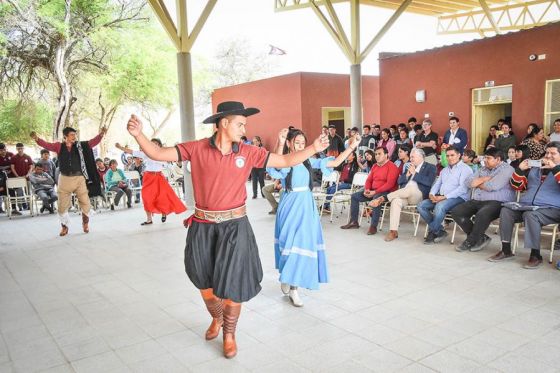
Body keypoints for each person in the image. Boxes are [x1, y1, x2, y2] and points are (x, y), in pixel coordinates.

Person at [125, 101, 330, 359]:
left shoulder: (248, 151)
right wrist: (138, 135)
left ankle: (229, 333)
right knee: (202, 280)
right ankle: (217, 318)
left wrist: (314, 148)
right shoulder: (197, 148)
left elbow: (287, 159)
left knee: (234, 282)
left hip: (235, 226)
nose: (244, 129)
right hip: (203, 224)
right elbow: (157, 153)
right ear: (224, 123)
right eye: (240, 124)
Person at [268, 128, 360, 306]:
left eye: (303, 143)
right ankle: (287, 276)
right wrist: (279, 143)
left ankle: (294, 288)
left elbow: (334, 163)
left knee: (302, 243)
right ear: (289, 144)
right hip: (290, 205)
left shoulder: (309, 161)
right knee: (289, 243)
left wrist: (352, 147)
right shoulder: (287, 161)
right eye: (297, 143)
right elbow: (275, 166)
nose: (301, 146)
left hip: (306, 205)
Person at [488, 142, 560, 269]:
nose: (548, 156)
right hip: (527, 205)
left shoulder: (556, 169)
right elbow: (517, 186)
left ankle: (535, 254)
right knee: (506, 210)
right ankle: (506, 250)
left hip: (551, 208)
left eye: (553, 153)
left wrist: (555, 168)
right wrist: (520, 169)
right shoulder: (536, 168)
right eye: (547, 153)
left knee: (531, 215)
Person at [31, 127, 105, 236]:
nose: (74, 137)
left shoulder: (80, 146)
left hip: (79, 178)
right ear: (65, 136)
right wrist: (37, 139)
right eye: (72, 135)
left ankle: (85, 224)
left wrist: (101, 134)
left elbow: (92, 142)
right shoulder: (59, 146)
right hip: (64, 179)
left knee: (85, 202)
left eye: (75, 135)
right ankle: (64, 227)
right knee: (62, 205)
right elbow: (47, 145)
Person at [451, 148, 515, 252]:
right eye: (484, 157)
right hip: (478, 200)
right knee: (457, 212)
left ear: (498, 159)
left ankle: (470, 241)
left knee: (482, 214)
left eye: (488, 158)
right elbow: (468, 182)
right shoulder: (483, 169)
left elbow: (493, 186)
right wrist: (484, 179)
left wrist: (477, 183)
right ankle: (480, 238)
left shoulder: (507, 169)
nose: (485, 160)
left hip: (498, 202)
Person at [370, 148, 436, 242]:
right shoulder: (410, 166)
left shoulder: (430, 167)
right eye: (411, 157)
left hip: (419, 195)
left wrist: (415, 174)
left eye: (413, 157)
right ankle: (393, 231)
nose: (411, 159)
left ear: (421, 157)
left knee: (410, 189)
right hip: (405, 194)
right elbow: (399, 181)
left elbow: (429, 182)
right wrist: (407, 176)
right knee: (396, 201)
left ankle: (383, 198)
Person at [116, 141, 186, 224]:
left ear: (159, 145)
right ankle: (149, 219)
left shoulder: (163, 155)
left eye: (156, 144)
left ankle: (164, 213)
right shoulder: (146, 153)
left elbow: (171, 163)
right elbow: (132, 152)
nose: (154, 145)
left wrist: (176, 161)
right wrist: (120, 147)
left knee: (162, 197)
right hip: (148, 177)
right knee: (146, 198)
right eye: (152, 143)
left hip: (159, 177)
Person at [418, 146, 473, 244]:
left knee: (440, 206)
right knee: (421, 205)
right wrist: (431, 194)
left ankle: (432, 232)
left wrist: (444, 197)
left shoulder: (466, 169)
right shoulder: (444, 170)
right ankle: (439, 230)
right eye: (447, 156)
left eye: (452, 155)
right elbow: (437, 184)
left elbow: (463, 189)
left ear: (459, 155)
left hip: (459, 198)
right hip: (442, 197)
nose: (450, 158)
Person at [340, 147, 399, 235]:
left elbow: (389, 184)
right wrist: (367, 189)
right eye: (376, 154)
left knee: (376, 197)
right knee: (354, 196)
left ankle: (373, 226)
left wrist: (375, 192)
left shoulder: (392, 166)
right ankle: (354, 222)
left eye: (379, 154)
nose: (377, 156)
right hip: (372, 191)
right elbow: (369, 180)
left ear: (386, 155)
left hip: (386, 193)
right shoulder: (375, 166)